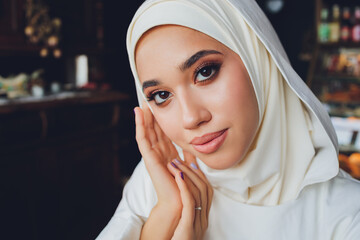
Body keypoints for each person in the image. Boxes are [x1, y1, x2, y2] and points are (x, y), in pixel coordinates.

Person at [97, 0, 360, 239]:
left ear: (257, 58)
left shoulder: (347, 213)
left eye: (205, 72)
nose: (191, 118)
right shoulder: (156, 182)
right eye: (162, 95)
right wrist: (165, 215)